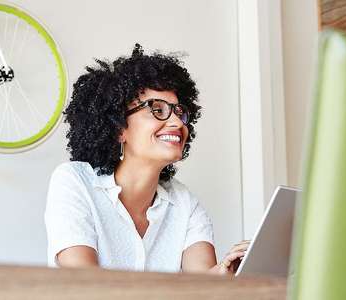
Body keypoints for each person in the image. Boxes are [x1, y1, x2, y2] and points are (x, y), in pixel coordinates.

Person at [44, 44, 249, 275]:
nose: (178, 123)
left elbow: (201, 284)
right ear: (118, 127)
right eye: (157, 109)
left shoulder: (184, 204)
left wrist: (225, 272)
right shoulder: (75, 182)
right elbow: (85, 279)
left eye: (180, 112)